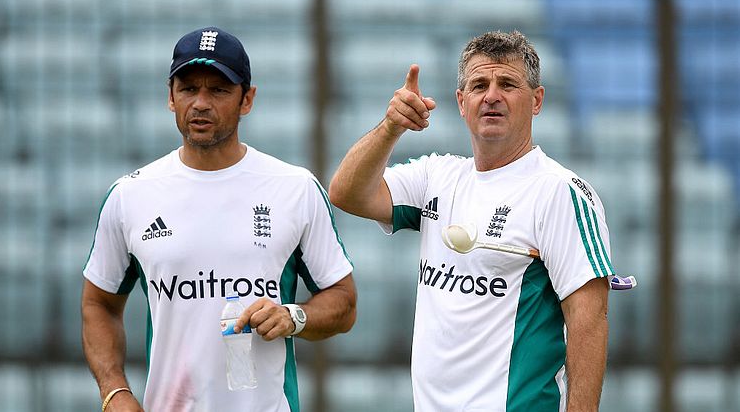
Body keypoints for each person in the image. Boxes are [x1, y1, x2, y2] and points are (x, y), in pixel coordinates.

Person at [329, 30, 615, 411]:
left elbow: (588, 319)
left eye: (508, 84)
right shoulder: (437, 176)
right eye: (479, 85)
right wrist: (390, 128)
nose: (491, 95)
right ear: (462, 103)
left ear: (537, 101)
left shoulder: (559, 192)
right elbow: (346, 193)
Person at [81, 26, 356, 412]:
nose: (201, 103)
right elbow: (99, 305)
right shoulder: (130, 195)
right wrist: (115, 393)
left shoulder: (295, 188)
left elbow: (344, 303)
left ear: (247, 100)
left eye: (219, 90)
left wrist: (293, 316)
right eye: (189, 88)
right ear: (170, 98)